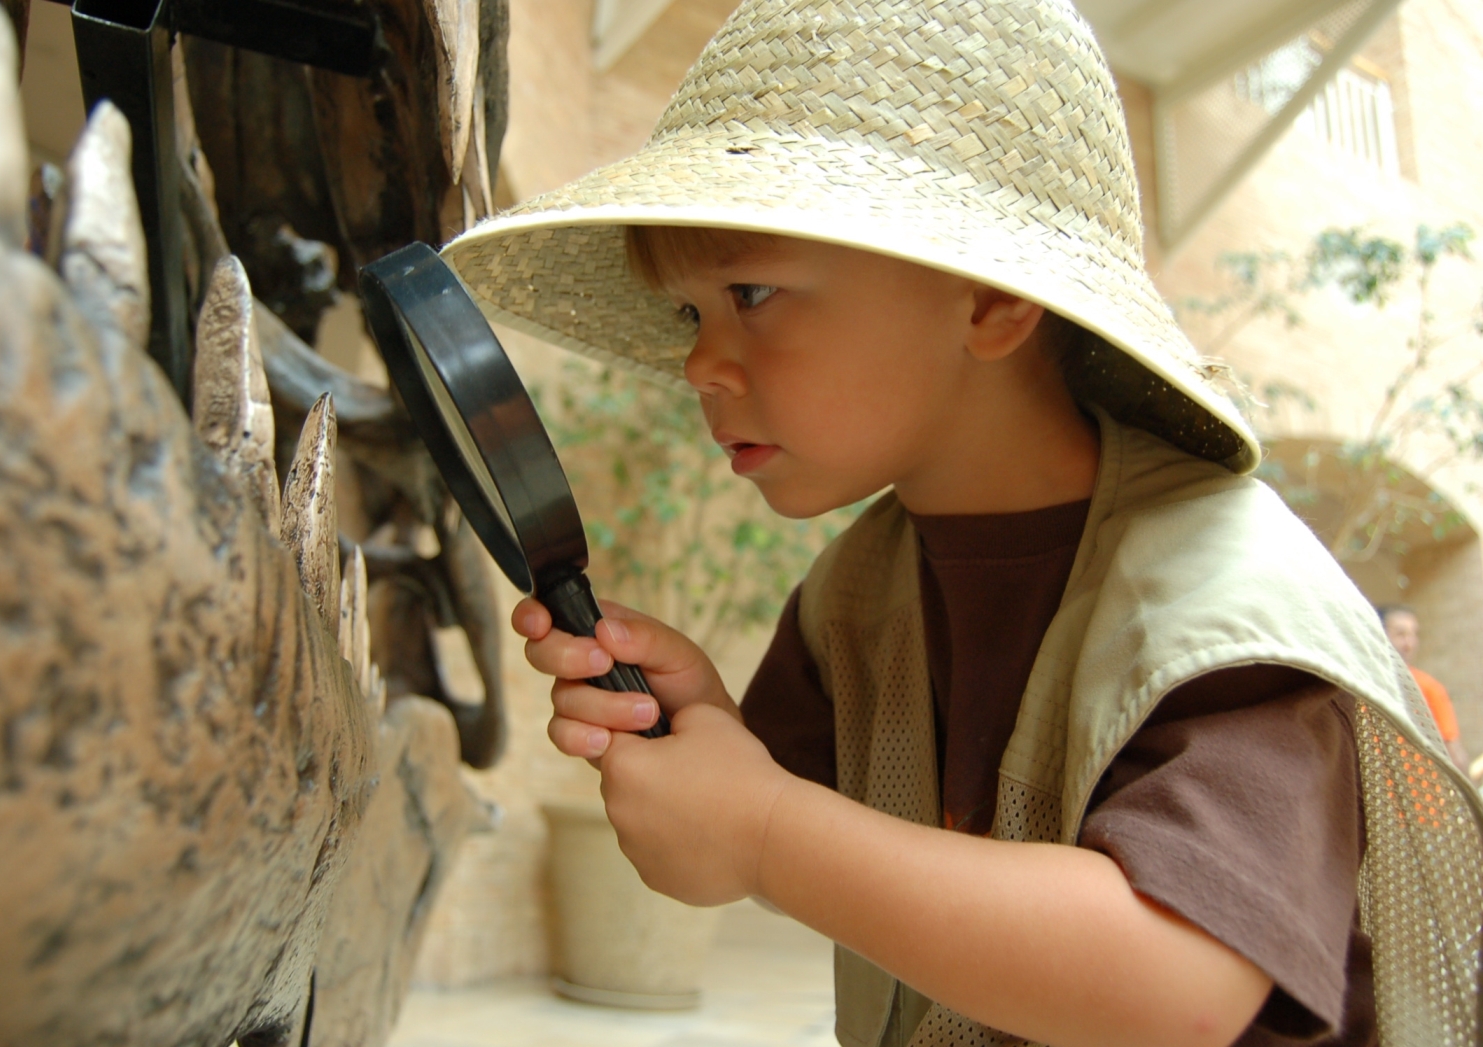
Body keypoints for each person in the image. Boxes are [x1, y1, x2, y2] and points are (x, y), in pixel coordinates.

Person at [442, 2, 1482, 1045]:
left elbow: (1174, 984)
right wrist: (703, 747)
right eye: (689, 315)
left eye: (752, 291)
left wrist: (763, 830)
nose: (700, 365)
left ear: (987, 302)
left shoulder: (1229, 605)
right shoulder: (855, 599)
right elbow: (766, 859)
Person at [1379, 604, 1470, 771]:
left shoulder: (1428, 688)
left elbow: (1454, 753)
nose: (1410, 644)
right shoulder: (1365, 687)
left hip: (1426, 794)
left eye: (1414, 634)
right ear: (1379, 635)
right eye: (1401, 634)